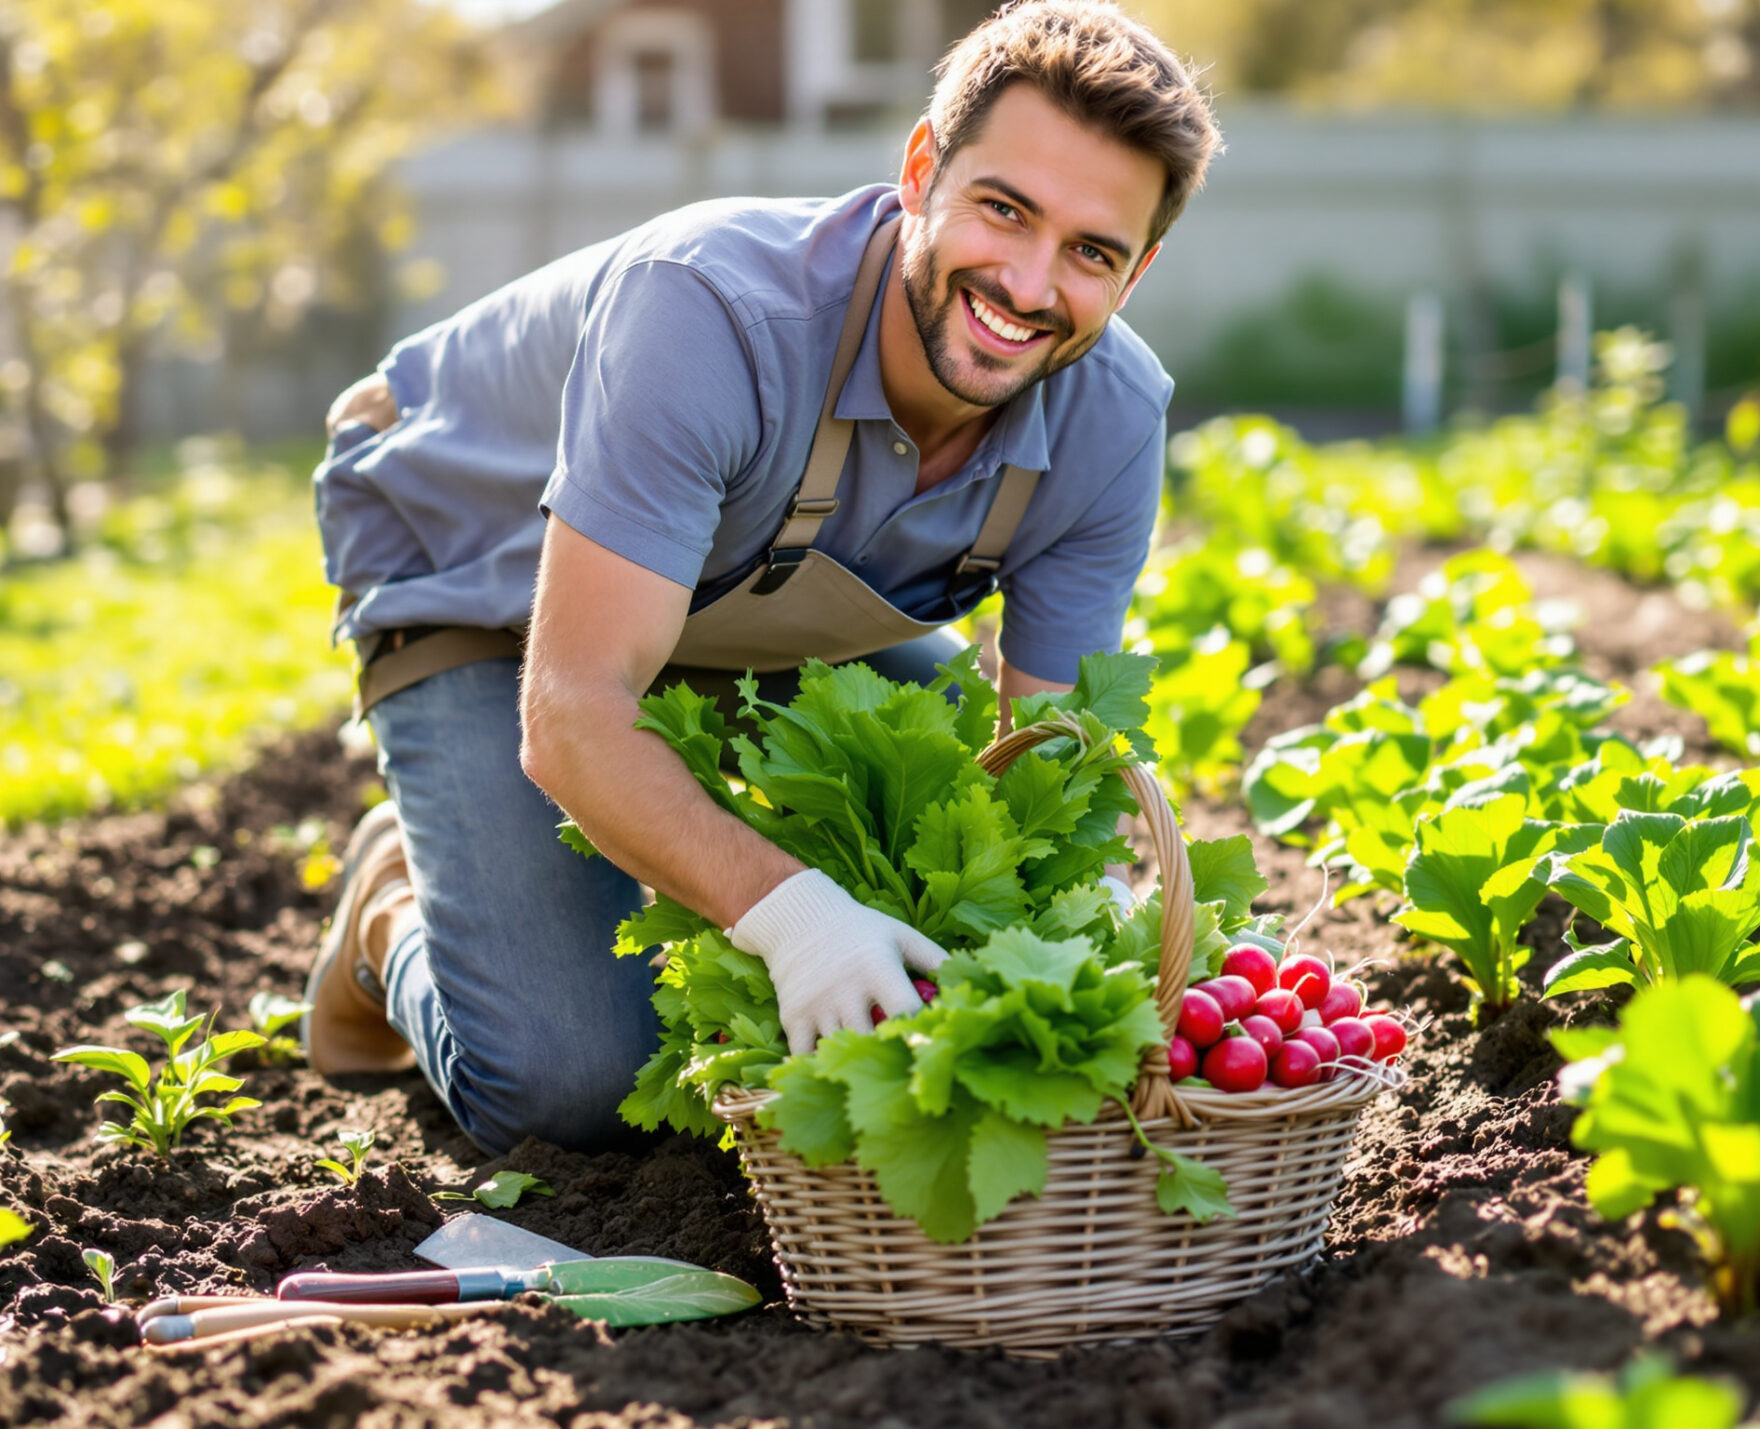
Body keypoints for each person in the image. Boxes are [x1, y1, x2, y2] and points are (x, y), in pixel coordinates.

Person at [302, 0, 1219, 1155]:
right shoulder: (710, 312)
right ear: (921, 169)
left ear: (1136, 273)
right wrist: (792, 915)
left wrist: (1091, 935)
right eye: (1003, 209)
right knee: (571, 1083)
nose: (1030, 284)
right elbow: (573, 709)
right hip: (478, 577)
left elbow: (1050, 763)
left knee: (947, 821)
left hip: (744, 606)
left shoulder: (1113, 420)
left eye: (1091, 251)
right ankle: (392, 912)